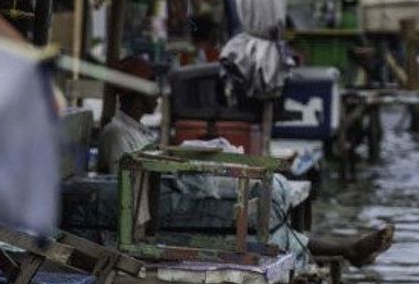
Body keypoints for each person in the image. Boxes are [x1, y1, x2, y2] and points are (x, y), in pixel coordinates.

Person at [94, 56, 394, 268]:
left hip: (169, 198)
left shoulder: (136, 129)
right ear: (135, 91)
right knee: (263, 208)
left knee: (273, 212)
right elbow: (131, 190)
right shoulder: (117, 133)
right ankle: (347, 250)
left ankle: (347, 250)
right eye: (150, 84)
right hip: (156, 214)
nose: (158, 93)